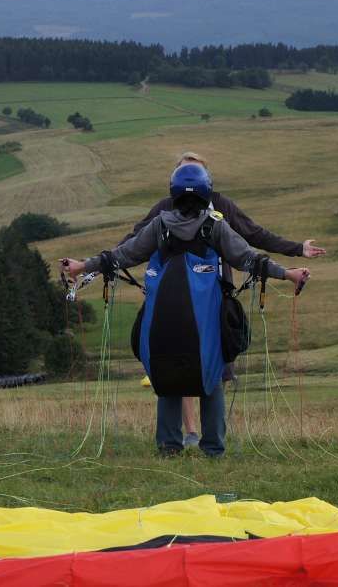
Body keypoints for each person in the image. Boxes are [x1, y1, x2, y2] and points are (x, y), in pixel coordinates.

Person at [64, 164, 309, 457]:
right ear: (207, 193)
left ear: (174, 194)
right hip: (206, 320)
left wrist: (82, 266)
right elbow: (249, 259)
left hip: (163, 318)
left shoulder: (159, 225)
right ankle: (213, 449)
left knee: (166, 374)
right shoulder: (215, 226)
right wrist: (288, 274)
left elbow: (122, 255)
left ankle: (169, 446)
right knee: (211, 375)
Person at [120, 152, 325, 447]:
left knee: (213, 368)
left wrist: (296, 249)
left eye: (195, 173)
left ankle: (209, 441)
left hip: (214, 299)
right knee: (172, 367)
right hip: (170, 301)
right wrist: (99, 265)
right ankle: (189, 434)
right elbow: (133, 243)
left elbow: (253, 235)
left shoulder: (221, 207)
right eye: (184, 173)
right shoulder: (163, 210)